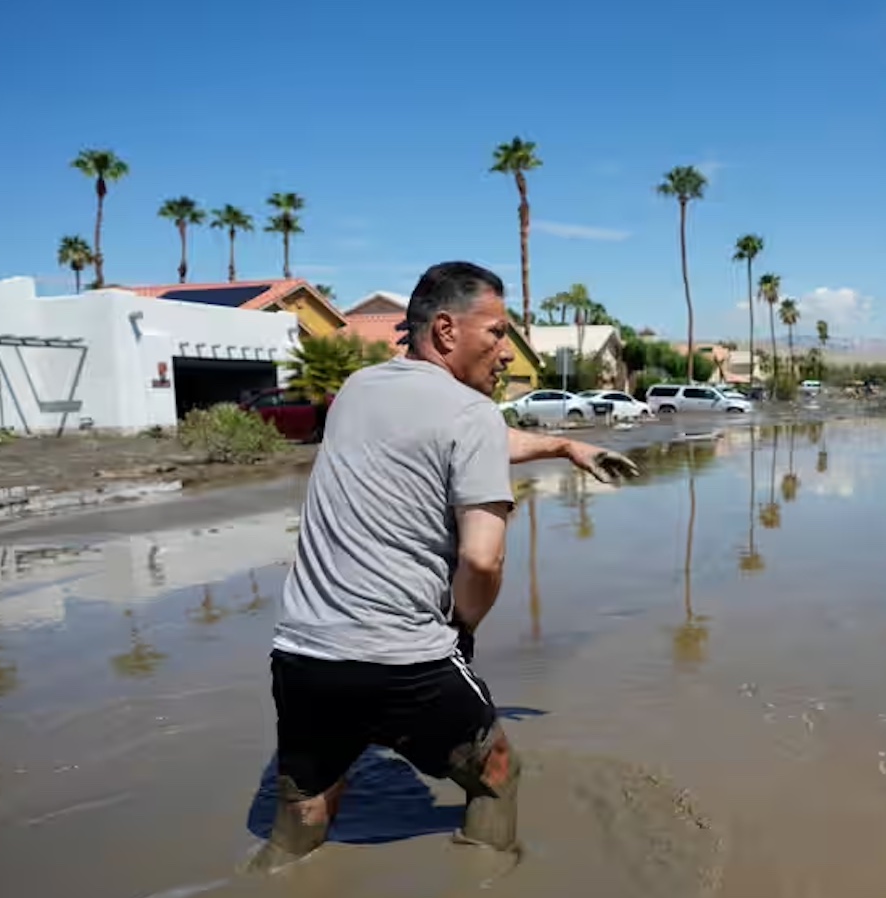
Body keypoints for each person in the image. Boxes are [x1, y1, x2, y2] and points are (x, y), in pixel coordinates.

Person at [260, 261, 637, 862]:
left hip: (302, 655)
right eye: (496, 333)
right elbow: (483, 561)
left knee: (305, 808)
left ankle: (276, 889)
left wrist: (566, 446)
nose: (507, 351)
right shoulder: (472, 414)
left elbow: (458, 441)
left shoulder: (359, 390)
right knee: (498, 772)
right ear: (444, 331)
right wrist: (462, 630)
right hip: (402, 661)